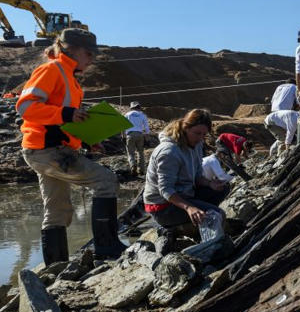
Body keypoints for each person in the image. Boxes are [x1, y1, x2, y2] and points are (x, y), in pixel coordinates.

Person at [16, 28, 126, 265]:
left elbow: (61, 121)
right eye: (89, 53)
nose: (92, 59)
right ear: (72, 49)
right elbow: (25, 108)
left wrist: (86, 139)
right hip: (48, 150)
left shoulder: (69, 78)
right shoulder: (51, 70)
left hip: (44, 150)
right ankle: (107, 249)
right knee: (106, 181)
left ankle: (56, 267)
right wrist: (67, 113)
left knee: (57, 211)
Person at [143, 108, 228, 234]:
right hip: (163, 206)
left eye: (204, 134)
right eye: (197, 133)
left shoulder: (196, 145)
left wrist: (210, 184)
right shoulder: (169, 152)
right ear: (185, 128)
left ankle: (198, 219)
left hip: (185, 192)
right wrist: (189, 208)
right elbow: (166, 190)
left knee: (223, 188)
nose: (200, 138)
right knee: (217, 214)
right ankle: (189, 225)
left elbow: (197, 176)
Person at [123, 101, 151, 176]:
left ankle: (133, 166)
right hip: (140, 135)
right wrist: (147, 139)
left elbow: (123, 126)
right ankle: (141, 170)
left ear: (131, 108)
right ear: (139, 107)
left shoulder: (127, 114)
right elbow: (146, 128)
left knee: (131, 153)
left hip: (130, 135)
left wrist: (123, 137)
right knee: (140, 152)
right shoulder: (143, 115)